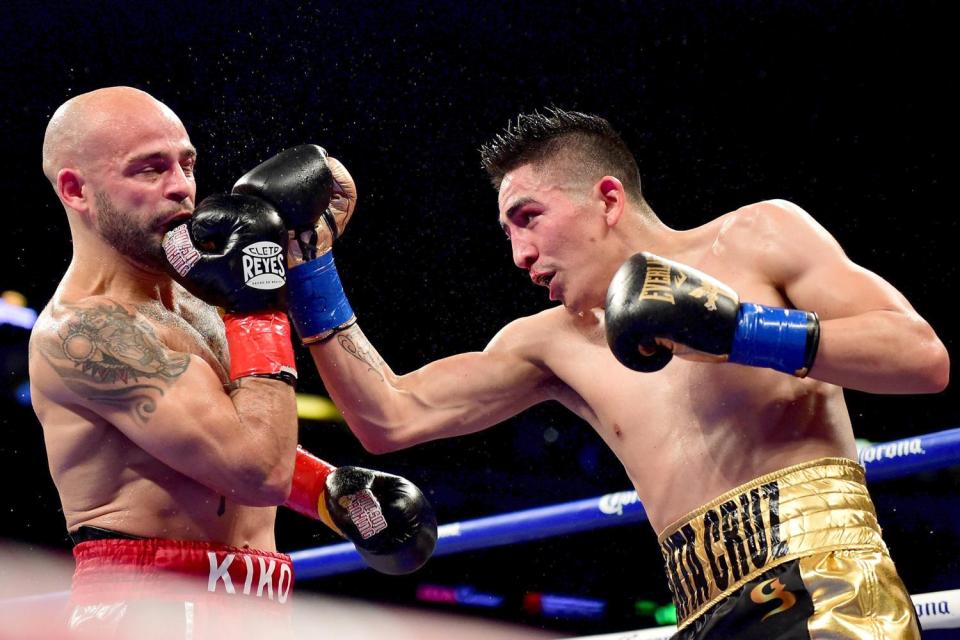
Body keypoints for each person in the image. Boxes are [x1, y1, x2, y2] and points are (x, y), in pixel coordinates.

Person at [272, 108, 948, 639]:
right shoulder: (549, 343)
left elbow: (920, 357)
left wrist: (739, 330)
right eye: (508, 233)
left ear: (608, 199)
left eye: (528, 219)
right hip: (701, 613)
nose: (519, 253)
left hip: (826, 584)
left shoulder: (756, 237)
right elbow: (389, 415)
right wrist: (310, 268)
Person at [28, 87, 435, 640]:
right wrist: (259, 302)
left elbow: (227, 436)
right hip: (147, 611)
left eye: (186, 163)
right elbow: (254, 470)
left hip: (258, 599)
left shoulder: (198, 299)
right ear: (77, 190)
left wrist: (326, 489)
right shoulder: (86, 332)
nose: (180, 187)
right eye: (149, 170)